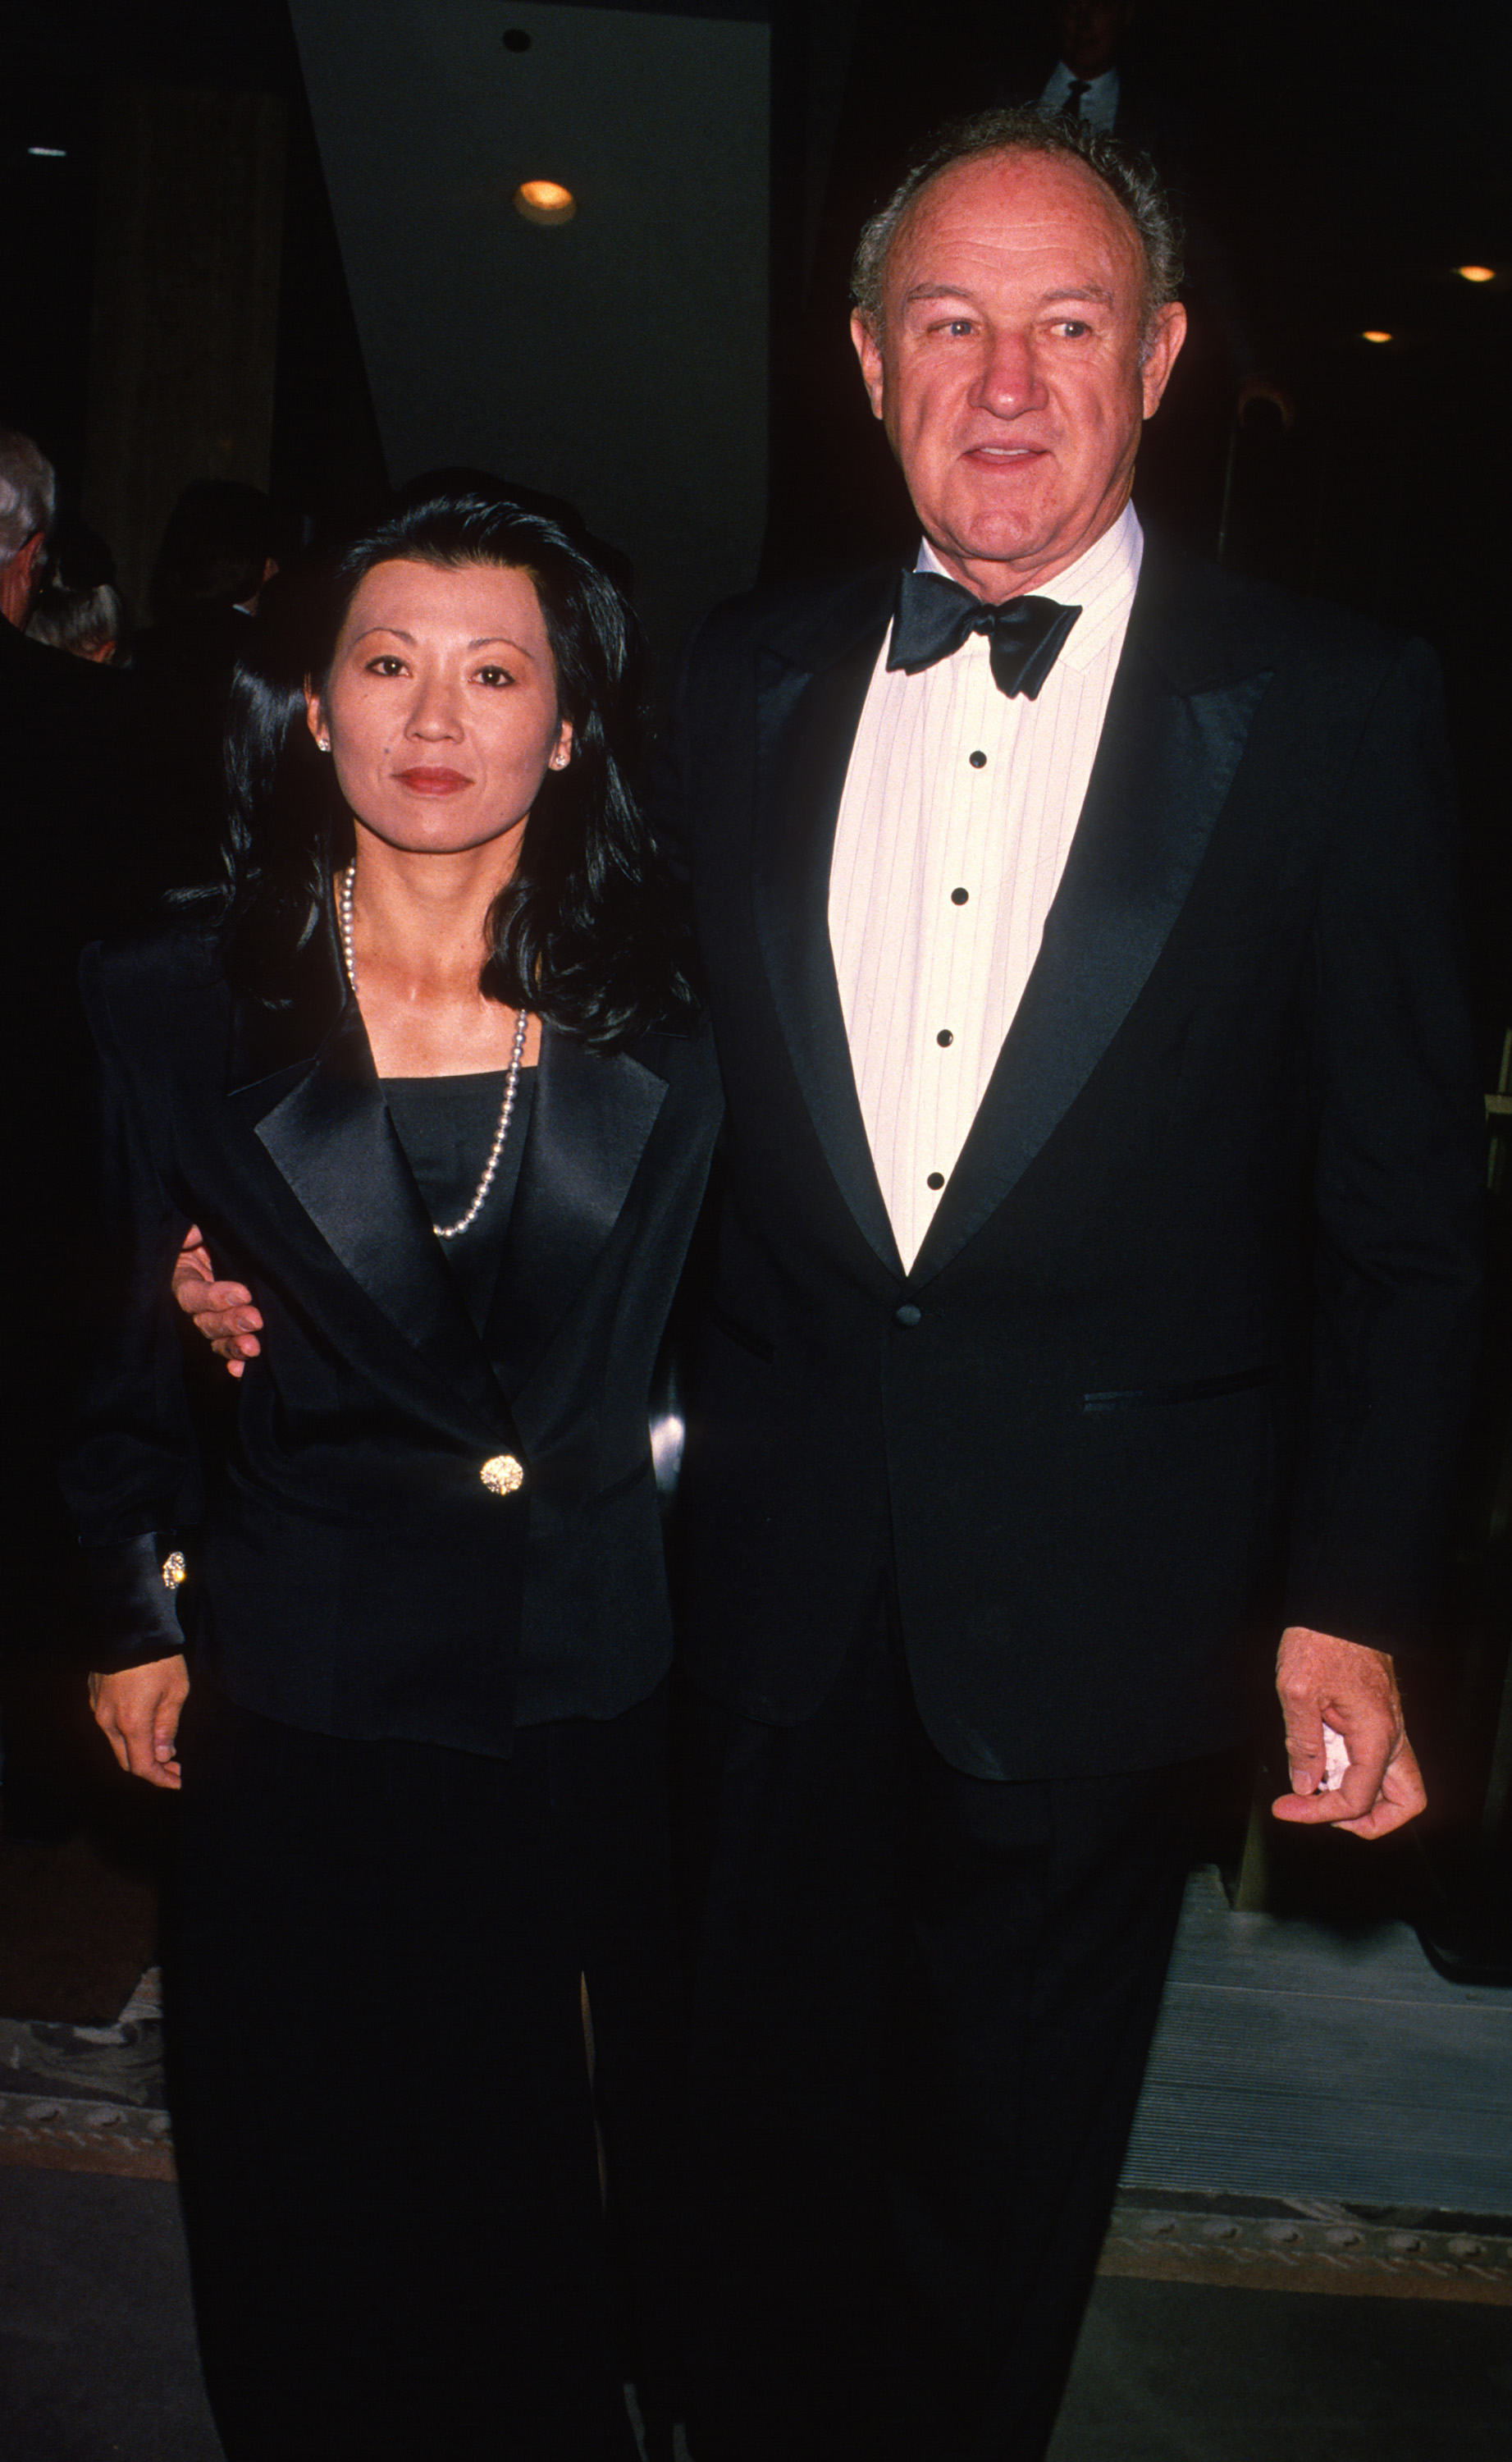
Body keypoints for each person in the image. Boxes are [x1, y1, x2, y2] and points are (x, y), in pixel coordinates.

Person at [646, 108, 1481, 2461]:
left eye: (1066, 324)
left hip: (1114, 1608)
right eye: (947, 322)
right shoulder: (737, 677)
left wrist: (1351, 1596)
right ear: (860, 359)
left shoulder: (1329, 704)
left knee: (988, 2203)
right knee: (743, 2171)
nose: (1003, 383)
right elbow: (616, 1090)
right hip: (770, 1592)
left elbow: (1405, 1211)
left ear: (1165, 357)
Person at [63, 484, 720, 2462]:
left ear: (570, 724)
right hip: (303, 1683)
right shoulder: (168, 1001)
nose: (437, 714)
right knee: (302, 2204)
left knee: (537, 2215)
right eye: (386, 662)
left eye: (494, 669)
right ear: (317, 712)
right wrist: (125, 1607)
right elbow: (89, 1347)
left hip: (578, 1697)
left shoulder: (691, 1016)